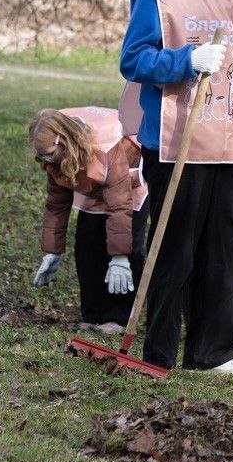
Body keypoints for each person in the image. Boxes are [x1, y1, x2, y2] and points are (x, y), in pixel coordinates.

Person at [119, 0, 233, 377]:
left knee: (225, 250)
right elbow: (132, 60)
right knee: (174, 251)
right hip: (177, 140)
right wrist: (185, 61)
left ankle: (213, 353)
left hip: (229, 137)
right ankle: (158, 352)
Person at [28, 107, 149, 332]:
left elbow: (120, 206)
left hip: (128, 185)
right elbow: (56, 205)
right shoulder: (55, 160)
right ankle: (92, 314)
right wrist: (52, 251)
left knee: (126, 246)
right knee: (87, 244)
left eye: (48, 155)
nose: (45, 162)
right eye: (41, 156)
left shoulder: (106, 149)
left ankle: (118, 317)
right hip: (92, 186)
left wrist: (120, 256)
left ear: (62, 142)